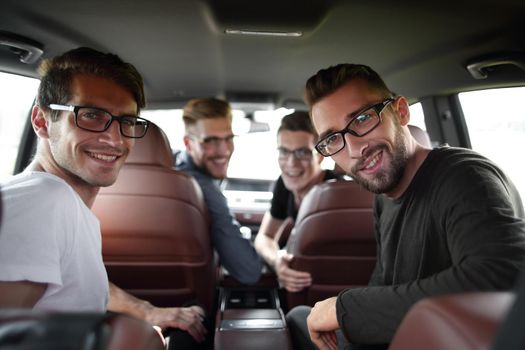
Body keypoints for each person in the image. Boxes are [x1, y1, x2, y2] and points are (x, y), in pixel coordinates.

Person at [286, 63, 525, 350]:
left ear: (401, 111)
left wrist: (343, 308)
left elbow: (503, 275)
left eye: (362, 119)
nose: (354, 150)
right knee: (300, 317)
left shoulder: (465, 177)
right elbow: (383, 285)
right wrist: (344, 315)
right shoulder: (383, 196)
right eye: (333, 139)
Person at [0, 47, 206, 345]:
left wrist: (147, 312)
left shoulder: (62, 204)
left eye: (127, 121)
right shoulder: (43, 202)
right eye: (91, 115)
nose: (115, 139)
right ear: (42, 121)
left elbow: (68, 279)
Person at [175, 97, 263, 285]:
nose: (223, 150)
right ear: (188, 143)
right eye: (210, 141)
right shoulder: (203, 190)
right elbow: (248, 271)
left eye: (229, 138)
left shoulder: (170, 162)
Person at [254, 111, 341, 292]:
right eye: (284, 152)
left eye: (302, 153)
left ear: (320, 155)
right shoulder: (284, 185)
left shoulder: (338, 193)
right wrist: (276, 260)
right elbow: (265, 237)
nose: (291, 163)